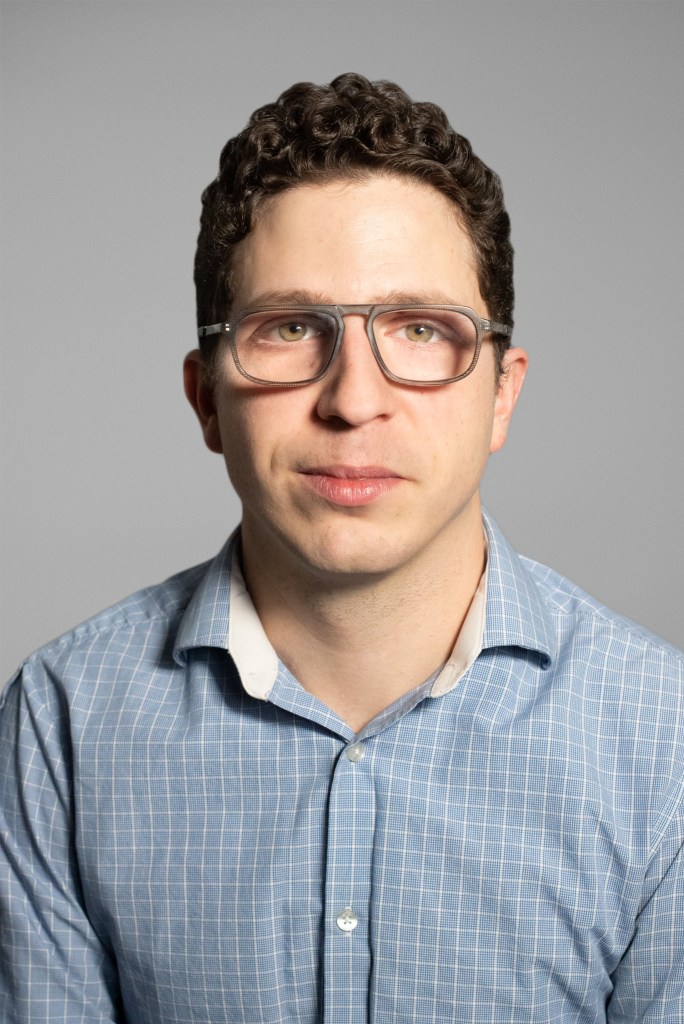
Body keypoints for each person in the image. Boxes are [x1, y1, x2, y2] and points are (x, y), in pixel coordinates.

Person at [1, 73, 682, 1024]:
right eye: (290, 328)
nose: (354, 399)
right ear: (206, 398)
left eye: (421, 329)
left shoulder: (665, 741)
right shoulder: (62, 724)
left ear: (501, 394)